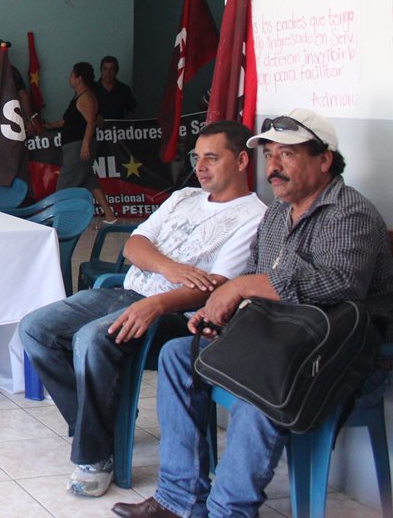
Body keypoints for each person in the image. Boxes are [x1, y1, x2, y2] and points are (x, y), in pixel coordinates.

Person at [112, 109, 393, 518]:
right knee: (177, 355)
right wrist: (224, 314)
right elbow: (259, 279)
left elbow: (338, 286)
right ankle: (180, 499)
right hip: (279, 336)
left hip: (337, 349)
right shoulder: (278, 213)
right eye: (270, 156)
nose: (274, 168)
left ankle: (231, 510)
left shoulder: (349, 214)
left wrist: (239, 289)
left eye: (287, 155)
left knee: (259, 378)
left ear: (324, 160)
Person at [19, 121, 266, 498]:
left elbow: (215, 287)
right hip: (129, 291)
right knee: (36, 329)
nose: (200, 167)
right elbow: (134, 245)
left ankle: (96, 455)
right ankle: (103, 422)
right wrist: (169, 268)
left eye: (212, 158)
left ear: (242, 160)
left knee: (92, 338)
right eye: (197, 157)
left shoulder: (254, 216)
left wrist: (158, 300)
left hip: (177, 316)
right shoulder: (183, 196)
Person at [43, 61, 118, 222]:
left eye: (72, 75)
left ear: (79, 79)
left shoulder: (86, 97)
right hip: (75, 145)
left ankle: (59, 218)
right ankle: (109, 214)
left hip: (78, 146)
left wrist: (85, 145)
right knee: (89, 179)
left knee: (65, 183)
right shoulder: (79, 96)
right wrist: (50, 125)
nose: (69, 78)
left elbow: (91, 121)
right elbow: (69, 120)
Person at [92, 55, 137, 120]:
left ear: (117, 71)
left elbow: (131, 109)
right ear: (101, 70)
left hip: (118, 128)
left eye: (111, 69)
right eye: (105, 69)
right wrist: (94, 117)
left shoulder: (124, 89)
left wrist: (130, 120)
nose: (108, 73)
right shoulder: (92, 88)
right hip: (95, 128)